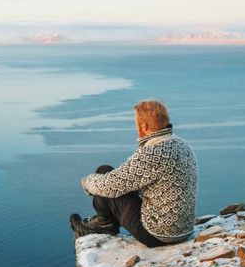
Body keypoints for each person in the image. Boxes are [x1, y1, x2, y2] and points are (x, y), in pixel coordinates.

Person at [70, 100, 198, 248]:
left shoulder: (152, 152)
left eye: (136, 123)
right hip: (185, 229)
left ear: (144, 126)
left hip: (157, 235)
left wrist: (86, 182)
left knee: (103, 173)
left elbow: (111, 185)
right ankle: (104, 223)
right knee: (111, 177)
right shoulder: (182, 145)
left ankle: (104, 224)